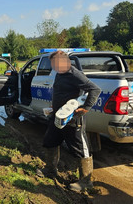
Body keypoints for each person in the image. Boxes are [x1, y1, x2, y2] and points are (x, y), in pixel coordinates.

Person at [37, 50, 101, 192]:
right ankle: (50, 169)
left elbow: (95, 89)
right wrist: (54, 106)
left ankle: (86, 182)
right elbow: (62, 92)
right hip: (58, 116)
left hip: (72, 119)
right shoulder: (60, 73)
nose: (53, 66)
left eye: (55, 63)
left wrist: (85, 108)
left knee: (80, 149)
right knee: (50, 141)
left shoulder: (74, 74)